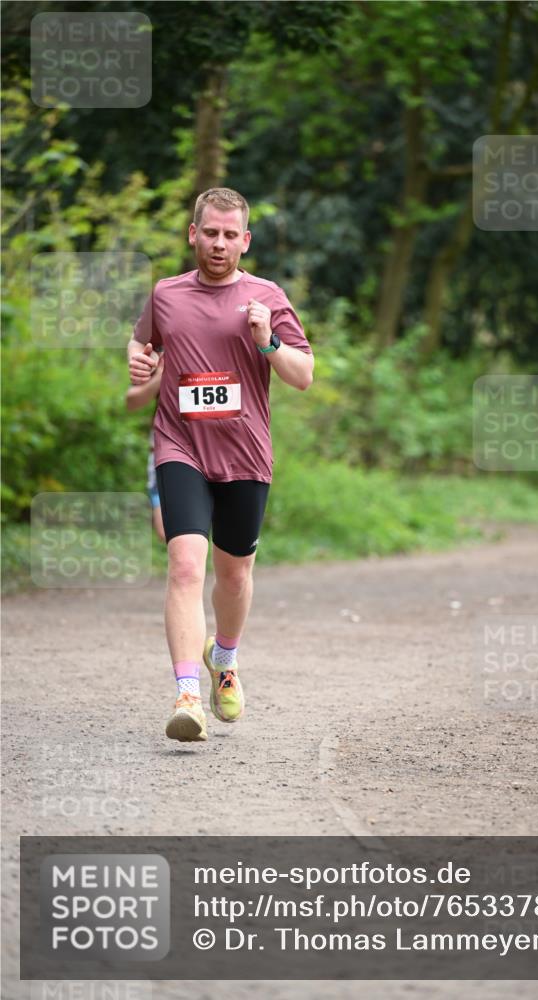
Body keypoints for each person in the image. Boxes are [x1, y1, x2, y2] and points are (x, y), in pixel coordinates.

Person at [127, 187, 313, 742]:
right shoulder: (165, 295)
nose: (219, 243)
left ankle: (223, 659)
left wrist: (268, 340)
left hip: (246, 454)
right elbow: (143, 351)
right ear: (193, 234)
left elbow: (303, 375)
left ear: (245, 241)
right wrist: (138, 365)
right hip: (180, 445)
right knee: (186, 565)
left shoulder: (266, 296)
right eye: (210, 232)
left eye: (231, 235)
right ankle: (186, 695)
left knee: (233, 576)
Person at [125, 349, 165, 542]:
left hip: (214, 448)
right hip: (163, 450)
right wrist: (161, 376)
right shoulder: (160, 351)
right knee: (166, 531)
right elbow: (131, 401)